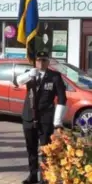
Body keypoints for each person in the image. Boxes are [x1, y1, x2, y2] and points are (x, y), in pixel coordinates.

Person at [16, 51, 67, 184]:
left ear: (48, 62)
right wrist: (29, 74)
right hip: (28, 116)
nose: (41, 63)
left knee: (45, 149)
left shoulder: (54, 76)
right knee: (31, 148)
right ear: (35, 61)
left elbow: (62, 98)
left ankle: (45, 177)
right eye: (38, 60)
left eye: (44, 60)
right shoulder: (30, 73)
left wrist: (57, 120)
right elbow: (17, 81)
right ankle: (32, 175)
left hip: (45, 118)